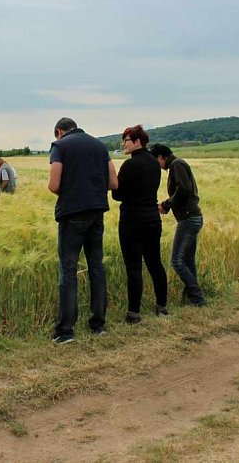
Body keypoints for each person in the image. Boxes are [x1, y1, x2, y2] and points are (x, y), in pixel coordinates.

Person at [48, 117, 119, 343]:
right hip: (97, 212)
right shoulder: (99, 146)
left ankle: (66, 331)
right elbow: (113, 183)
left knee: (68, 270)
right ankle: (98, 324)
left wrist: (72, 193)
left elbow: (53, 184)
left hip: (72, 215)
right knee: (96, 267)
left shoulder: (60, 146)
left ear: (59, 132)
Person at [112, 125, 169, 323]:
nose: (123, 144)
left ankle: (134, 313)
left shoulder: (130, 165)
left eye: (126, 140)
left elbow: (117, 195)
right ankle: (162, 306)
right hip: (152, 219)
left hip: (132, 220)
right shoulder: (154, 163)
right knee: (155, 263)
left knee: (134, 267)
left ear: (137, 142)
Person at [149, 144, 206, 306]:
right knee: (188, 260)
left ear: (161, 157)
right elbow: (182, 191)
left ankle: (197, 297)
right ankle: (193, 299)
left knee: (177, 261)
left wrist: (166, 205)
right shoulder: (178, 164)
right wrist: (167, 205)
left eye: (155, 161)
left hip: (188, 218)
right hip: (193, 217)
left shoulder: (176, 165)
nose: (157, 166)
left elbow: (183, 189)